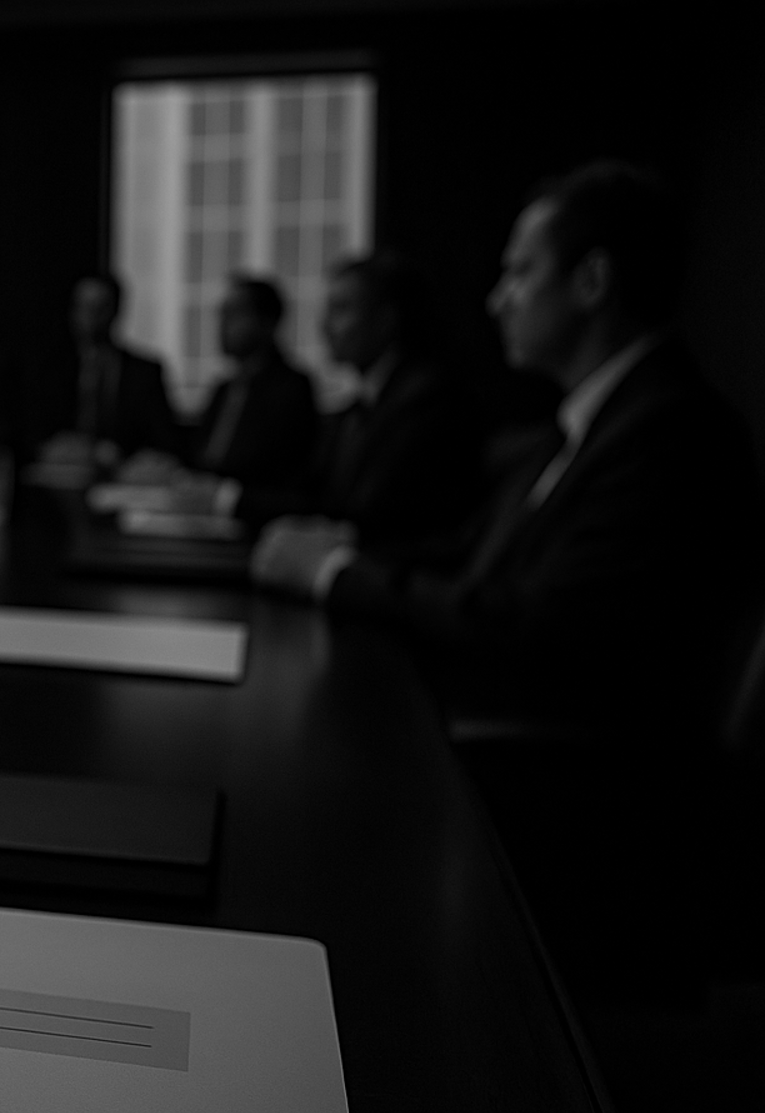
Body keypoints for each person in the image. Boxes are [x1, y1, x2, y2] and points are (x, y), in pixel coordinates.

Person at [253, 161, 765, 733]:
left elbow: (539, 628)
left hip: (553, 772)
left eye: (519, 274)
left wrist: (337, 575)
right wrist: (343, 551)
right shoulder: (587, 422)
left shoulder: (675, 432)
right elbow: (473, 555)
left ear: (591, 282)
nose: (499, 301)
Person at [179, 253, 483, 545]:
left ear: (385, 319)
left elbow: (361, 516)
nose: (325, 326)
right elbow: (313, 492)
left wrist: (228, 499)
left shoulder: (422, 401)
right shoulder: (364, 403)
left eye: (341, 309)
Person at [167, 275, 319, 486]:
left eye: (235, 314)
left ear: (267, 322)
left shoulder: (291, 388)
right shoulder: (225, 388)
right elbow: (200, 457)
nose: (223, 324)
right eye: (222, 314)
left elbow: (278, 473)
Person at [30, 274, 177, 472]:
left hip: (124, 479)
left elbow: (164, 442)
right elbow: (31, 435)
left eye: (99, 307)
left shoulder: (144, 373)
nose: (90, 315)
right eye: (83, 306)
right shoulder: (48, 370)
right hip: (59, 478)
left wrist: (122, 457)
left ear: (116, 310)